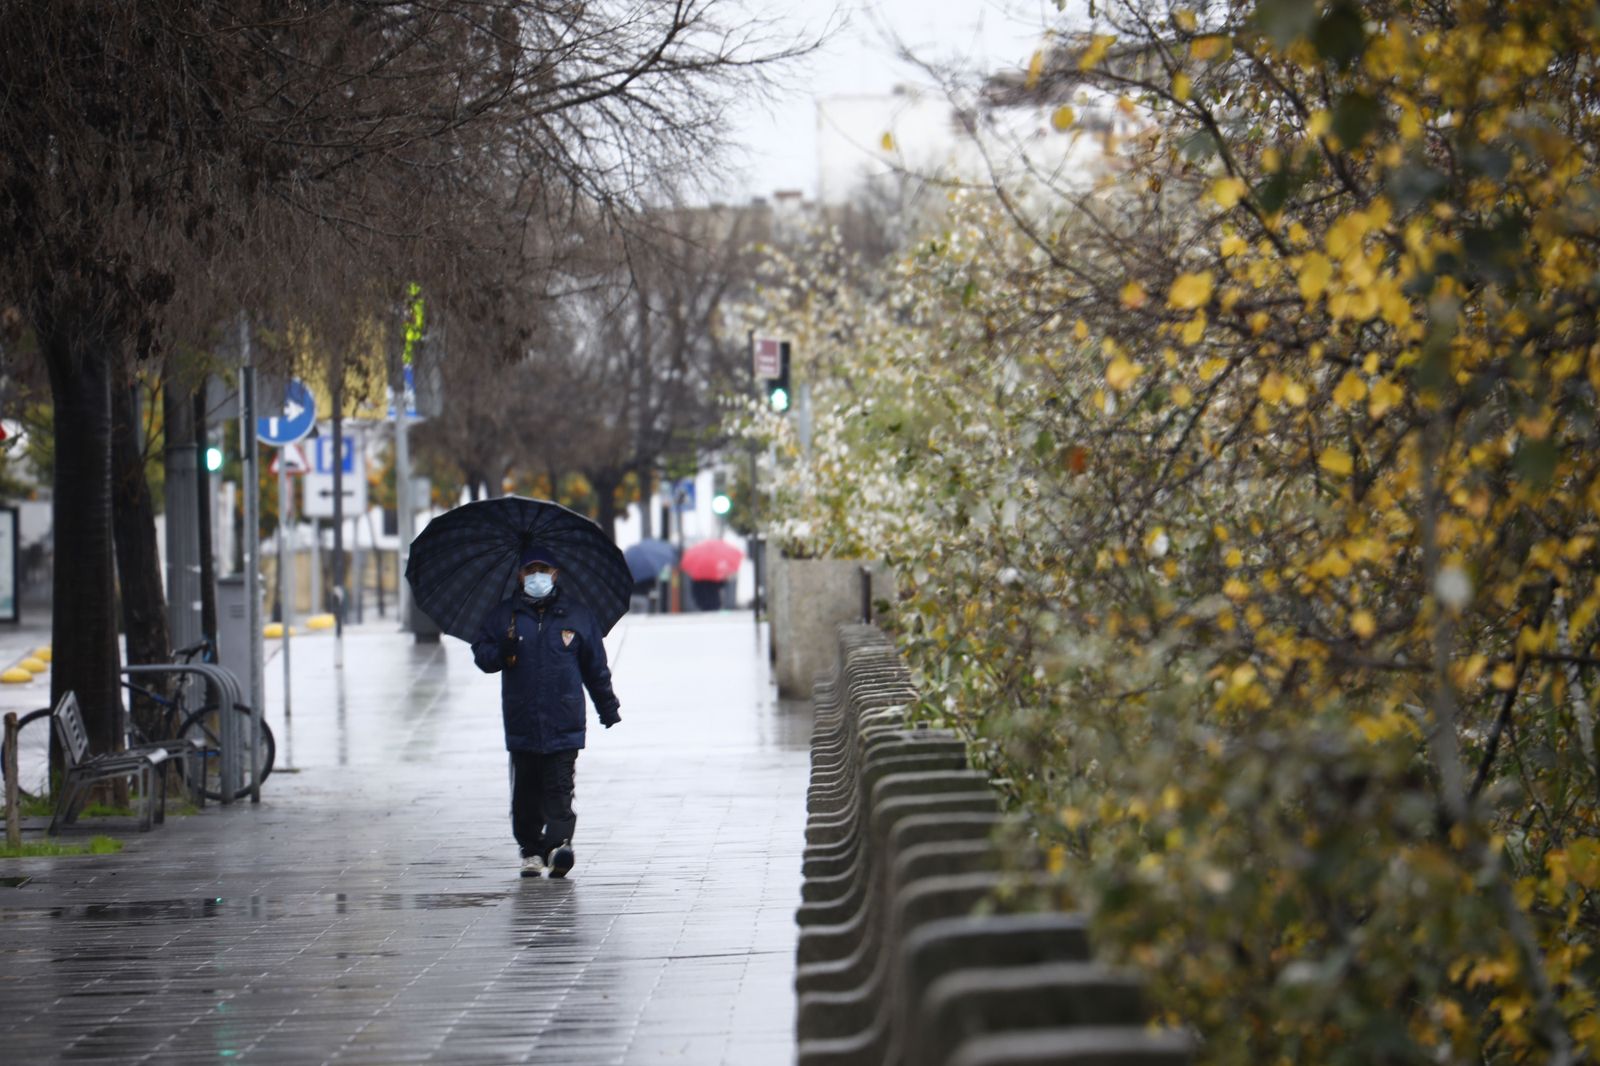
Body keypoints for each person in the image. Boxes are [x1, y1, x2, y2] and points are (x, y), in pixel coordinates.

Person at [471, 545, 621, 878]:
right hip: (522, 720)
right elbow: (482, 655)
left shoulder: (577, 616)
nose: (537, 576)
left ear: (555, 574)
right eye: (530, 570)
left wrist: (607, 707)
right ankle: (531, 850)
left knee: (559, 788)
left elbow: (595, 667)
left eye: (543, 570)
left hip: (564, 719)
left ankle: (558, 846)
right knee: (525, 791)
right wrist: (501, 652)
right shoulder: (505, 616)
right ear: (520, 575)